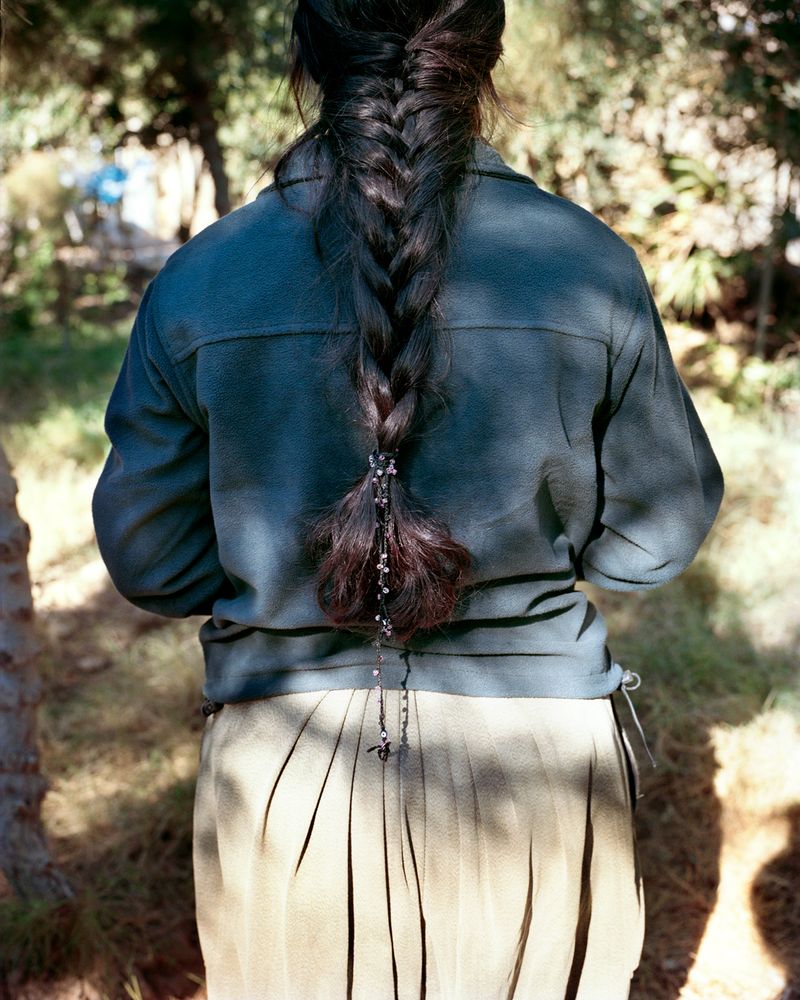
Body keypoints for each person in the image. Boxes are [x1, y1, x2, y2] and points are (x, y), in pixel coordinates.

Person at [91, 2, 725, 997]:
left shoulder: (197, 283)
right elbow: (654, 537)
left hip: (285, 781)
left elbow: (154, 562)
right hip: (539, 773)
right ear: (483, 57)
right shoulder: (591, 268)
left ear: (308, 57)